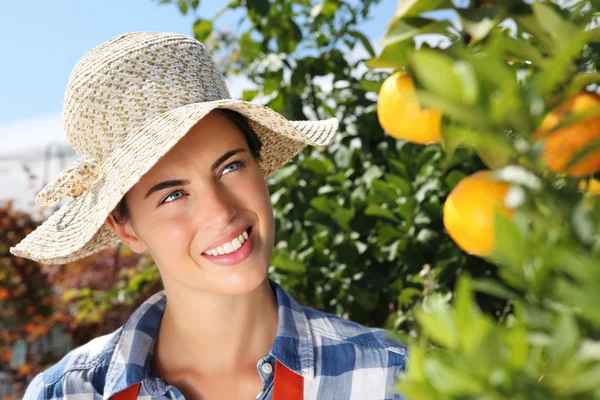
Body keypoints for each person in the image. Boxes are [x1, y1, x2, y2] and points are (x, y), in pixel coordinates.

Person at [12, 31, 407, 400]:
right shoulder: (66, 393)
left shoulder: (391, 377)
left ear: (259, 164)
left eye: (231, 167)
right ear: (125, 226)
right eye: (173, 195)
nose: (220, 212)